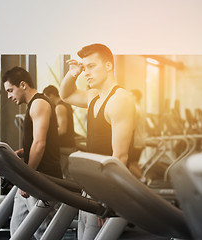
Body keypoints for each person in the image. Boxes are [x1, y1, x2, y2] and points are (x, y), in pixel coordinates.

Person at [59, 43, 136, 240]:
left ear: (109, 66)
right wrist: (74, 73)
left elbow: (119, 156)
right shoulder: (94, 96)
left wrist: (106, 200)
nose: (86, 73)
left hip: (104, 189)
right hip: (90, 186)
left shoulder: (120, 99)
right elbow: (65, 95)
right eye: (84, 68)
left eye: (91, 66)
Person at [2, 67, 62, 239]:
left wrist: (27, 179)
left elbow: (40, 143)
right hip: (31, 177)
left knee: (43, 232)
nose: (8, 96)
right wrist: (23, 151)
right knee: (17, 229)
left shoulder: (39, 103)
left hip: (42, 178)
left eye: (10, 90)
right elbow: (39, 141)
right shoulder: (33, 105)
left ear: (23, 85)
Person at [43, 85, 76, 178]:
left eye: (46, 98)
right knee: (66, 176)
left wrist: (46, 137)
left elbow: (62, 129)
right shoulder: (65, 105)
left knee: (63, 177)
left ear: (51, 95)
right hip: (67, 146)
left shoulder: (60, 107)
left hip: (64, 147)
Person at [129, 89, 147, 179]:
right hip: (141, 140)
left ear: (135, 97)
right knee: (134, 163)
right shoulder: (140, 108)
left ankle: (143, 180)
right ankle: (142, 181)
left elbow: (132, 126)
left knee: (128, 164)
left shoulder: (135, 109)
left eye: (130, 95)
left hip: (136, 141)